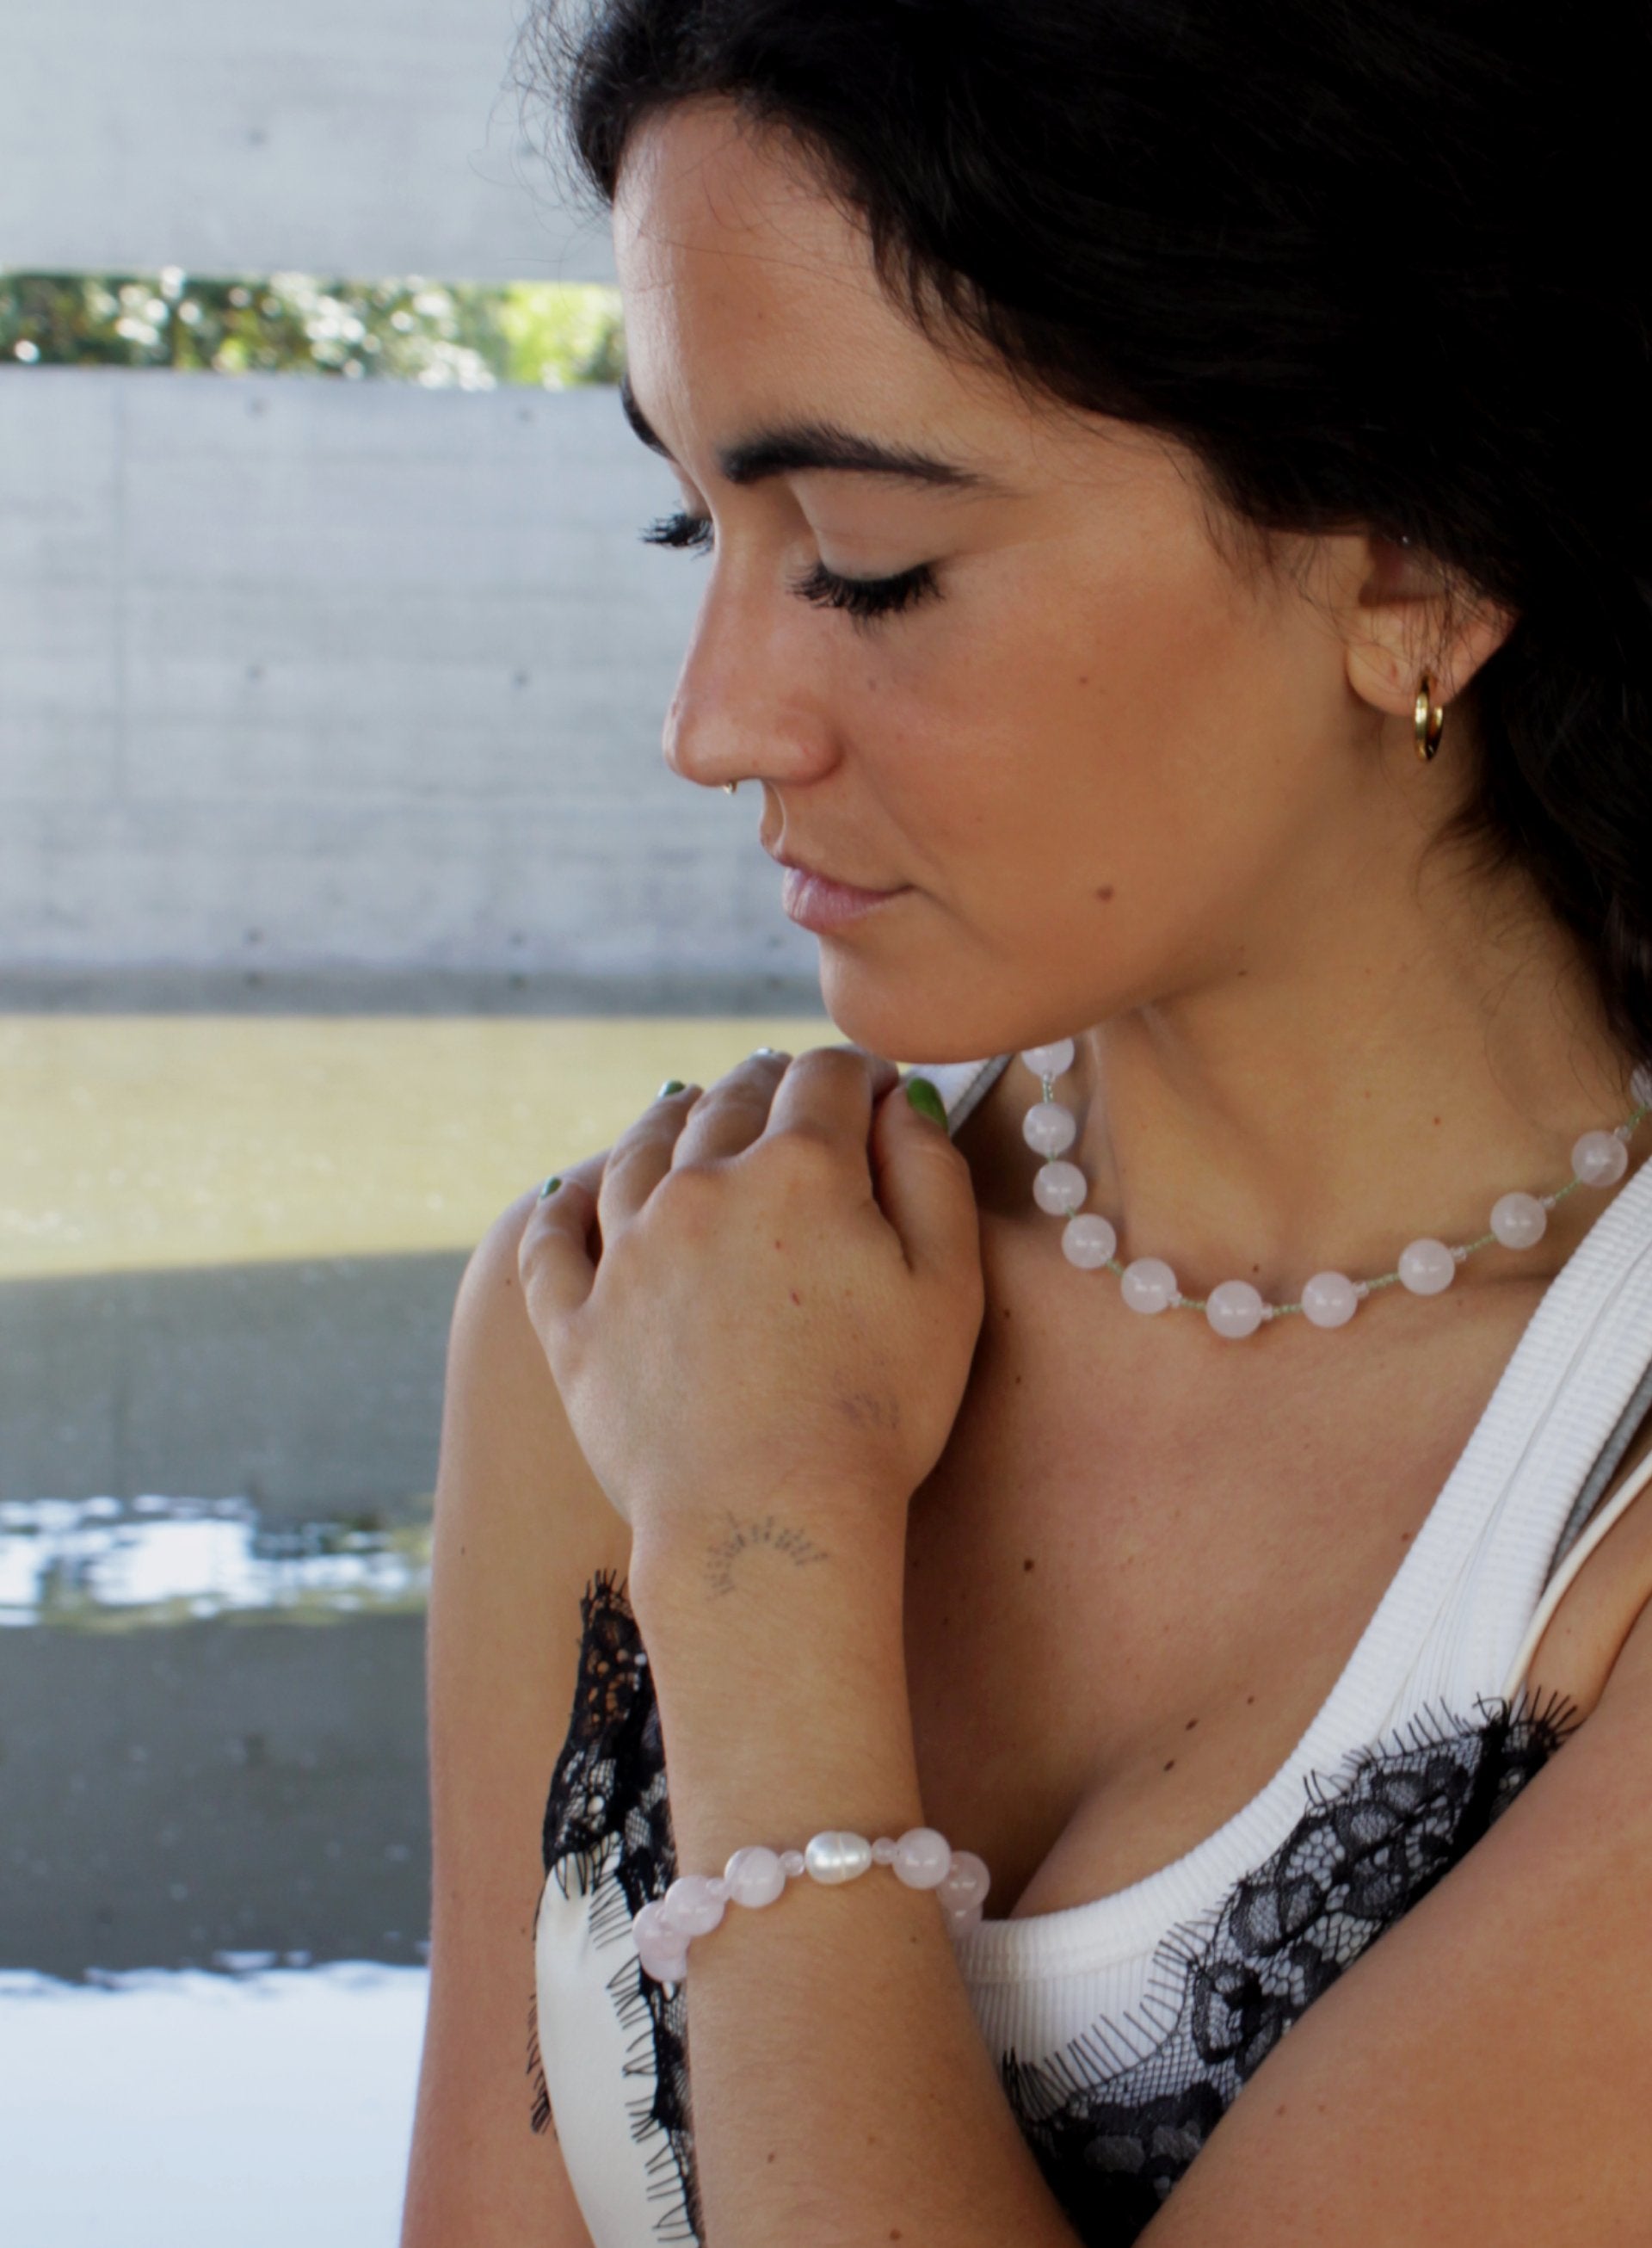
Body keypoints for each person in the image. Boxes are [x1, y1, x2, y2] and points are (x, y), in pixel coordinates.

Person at [401, 5, 1652, 2242]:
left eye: (867, 560)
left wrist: (765, 1559)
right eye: (689, 521)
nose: (713, 723)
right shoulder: (623, 1310)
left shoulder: (1606, 1502)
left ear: (1419, 569)